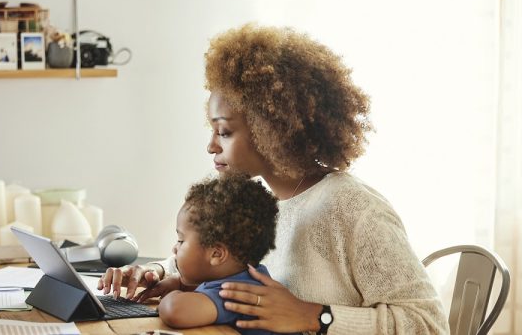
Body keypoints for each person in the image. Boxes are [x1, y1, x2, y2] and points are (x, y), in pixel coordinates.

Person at [98, 23, 449, 334]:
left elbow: (429, 324)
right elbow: (221, 258)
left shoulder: (353, 208)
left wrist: (315, 317)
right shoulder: (262, 201)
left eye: (224, 132)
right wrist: (158, 273)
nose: (210, 146)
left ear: (273, 129)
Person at [135, 173, 278, 334]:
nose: (174, 248)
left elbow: (175, 311)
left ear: (216, 254)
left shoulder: (239, 292)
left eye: (181, 241)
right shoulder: (251, 275)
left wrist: (171, 297)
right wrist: (179, 284)